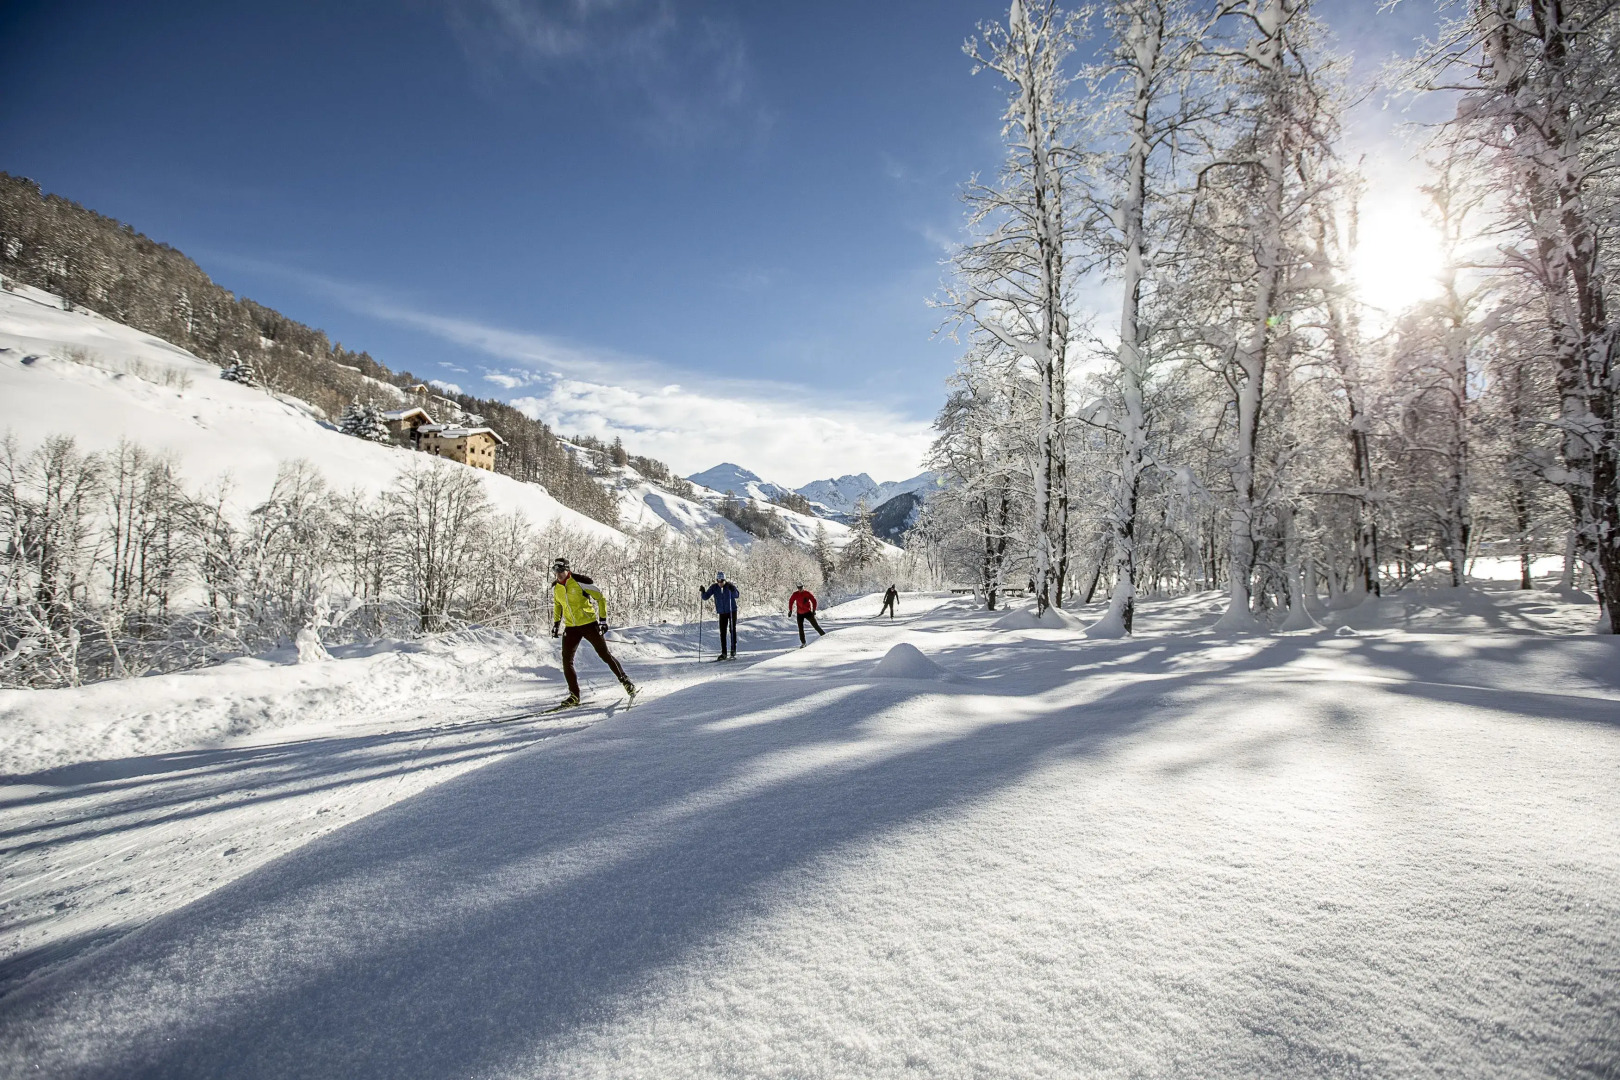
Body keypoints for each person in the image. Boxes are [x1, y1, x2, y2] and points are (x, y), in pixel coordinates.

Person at [551, 557, 635, 706]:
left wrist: (602, 620)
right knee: (566, 660)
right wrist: (556, 624)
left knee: (604, 654)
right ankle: (574, 696)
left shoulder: (580, 582)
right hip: (571, 627)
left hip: (589, 624)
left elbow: (601, 598)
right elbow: (558, 605)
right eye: (556, 571)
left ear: (567, 570)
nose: (559, 574)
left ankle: (625, 681)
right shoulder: (556, 587)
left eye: (561, 571)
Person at [700, 571, 741, 660]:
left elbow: (737, 595)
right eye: (718, 581)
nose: (720, 583)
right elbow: (705, 597)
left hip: (731, 610)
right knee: (722, 632)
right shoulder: (714, 587)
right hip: (722, 612)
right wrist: (703, 592)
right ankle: (724, 653)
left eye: (721, 581)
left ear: (724, 580)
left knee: (732, 629)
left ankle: (733, 649)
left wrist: (732, 589)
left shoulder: (729, 586)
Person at [787, 582, 824, 647]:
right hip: (799, 614)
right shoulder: (795, 594)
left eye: (801, 587)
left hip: (808, 612)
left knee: (815, 625)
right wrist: (790, 610)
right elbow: (791, 601)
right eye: (799, 588)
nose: (800, 589)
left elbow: (814, 601)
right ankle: (803, 643)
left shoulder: (807, 593)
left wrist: (814, 610)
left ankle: (824, 636)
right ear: (797, 588)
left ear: (803, 587)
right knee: (800, 629)